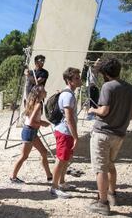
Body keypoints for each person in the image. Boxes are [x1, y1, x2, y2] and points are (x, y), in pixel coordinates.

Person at [87, 58, 132, 215]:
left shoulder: (108, 86)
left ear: (105, 73)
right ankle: (112, 195)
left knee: (100, 168)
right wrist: (120, 117)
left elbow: (103, 111)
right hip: (119, 135)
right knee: (110, 164)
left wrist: (92, 110)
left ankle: (102, 203)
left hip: (102, 133)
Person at [49, 67, 82, 199]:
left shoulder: (68, 93)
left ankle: (61, 182)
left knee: (65, 158)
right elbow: (69, 118)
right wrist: (75, 137)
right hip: (64, 132)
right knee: (61, 159)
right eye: (76, 78)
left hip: (64, 131)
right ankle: (54, 187)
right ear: (69, 80)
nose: (79, 80)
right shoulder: (68, 95)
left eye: (79, 77)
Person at [10, 85, 52, 183]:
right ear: (39, 93)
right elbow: (32, 121)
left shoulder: (35, 102)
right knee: (24, 156)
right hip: (29, 131)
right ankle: (13, 177)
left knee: (44, 152)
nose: (45, 92)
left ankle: (49, 176)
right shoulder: (38, 105)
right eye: (43, 91)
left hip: (31, 131)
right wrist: (43, 123)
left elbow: (32, 119)